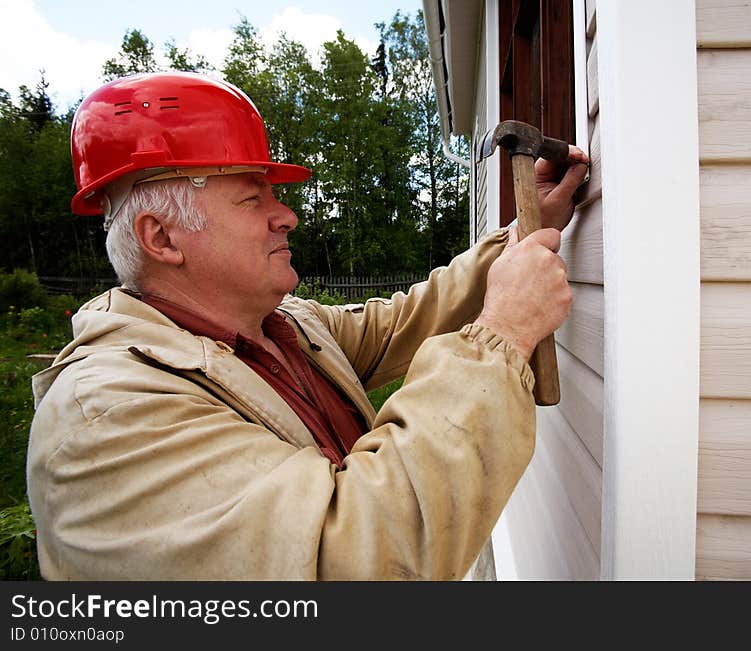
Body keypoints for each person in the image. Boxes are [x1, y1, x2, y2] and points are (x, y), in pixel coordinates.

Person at [27, 71, 589, 580]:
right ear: (162, 238)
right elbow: (350, 560)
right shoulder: (109, 421)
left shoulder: (281, 326)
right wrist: (502, 337)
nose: (287, 215)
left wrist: (522, 232)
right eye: (253, 198)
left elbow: (403, 324)